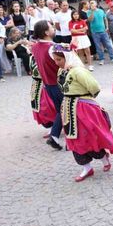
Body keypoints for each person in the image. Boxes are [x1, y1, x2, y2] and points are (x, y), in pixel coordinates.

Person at [50, 44, 113, 182]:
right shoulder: (61, 71)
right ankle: (86, 167)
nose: (57, 63)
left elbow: (94, 87)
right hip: (68, 108)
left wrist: (85, 101)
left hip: (83, 108)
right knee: (74, 139)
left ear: (68, 57)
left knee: (89, 135)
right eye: (55, 60)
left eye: (59, 59)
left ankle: (103, 158)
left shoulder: (78, 71)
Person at [31, 20, 64, 150]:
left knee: (60, 111)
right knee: (65, 110)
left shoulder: (35, 46)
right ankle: (57, 136)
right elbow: (64, 63)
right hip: (58, 84)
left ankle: (56, 136)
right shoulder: (53, 47)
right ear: (46, 32)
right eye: (51, 27)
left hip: (48, 85)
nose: (53, 28)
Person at [28, 54, 57, 128]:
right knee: (40, 108)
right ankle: (53, 126)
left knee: (49, 107)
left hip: (47, 84)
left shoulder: (47, 55)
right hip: (37, 86)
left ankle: (56, 126)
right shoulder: (32, 57)